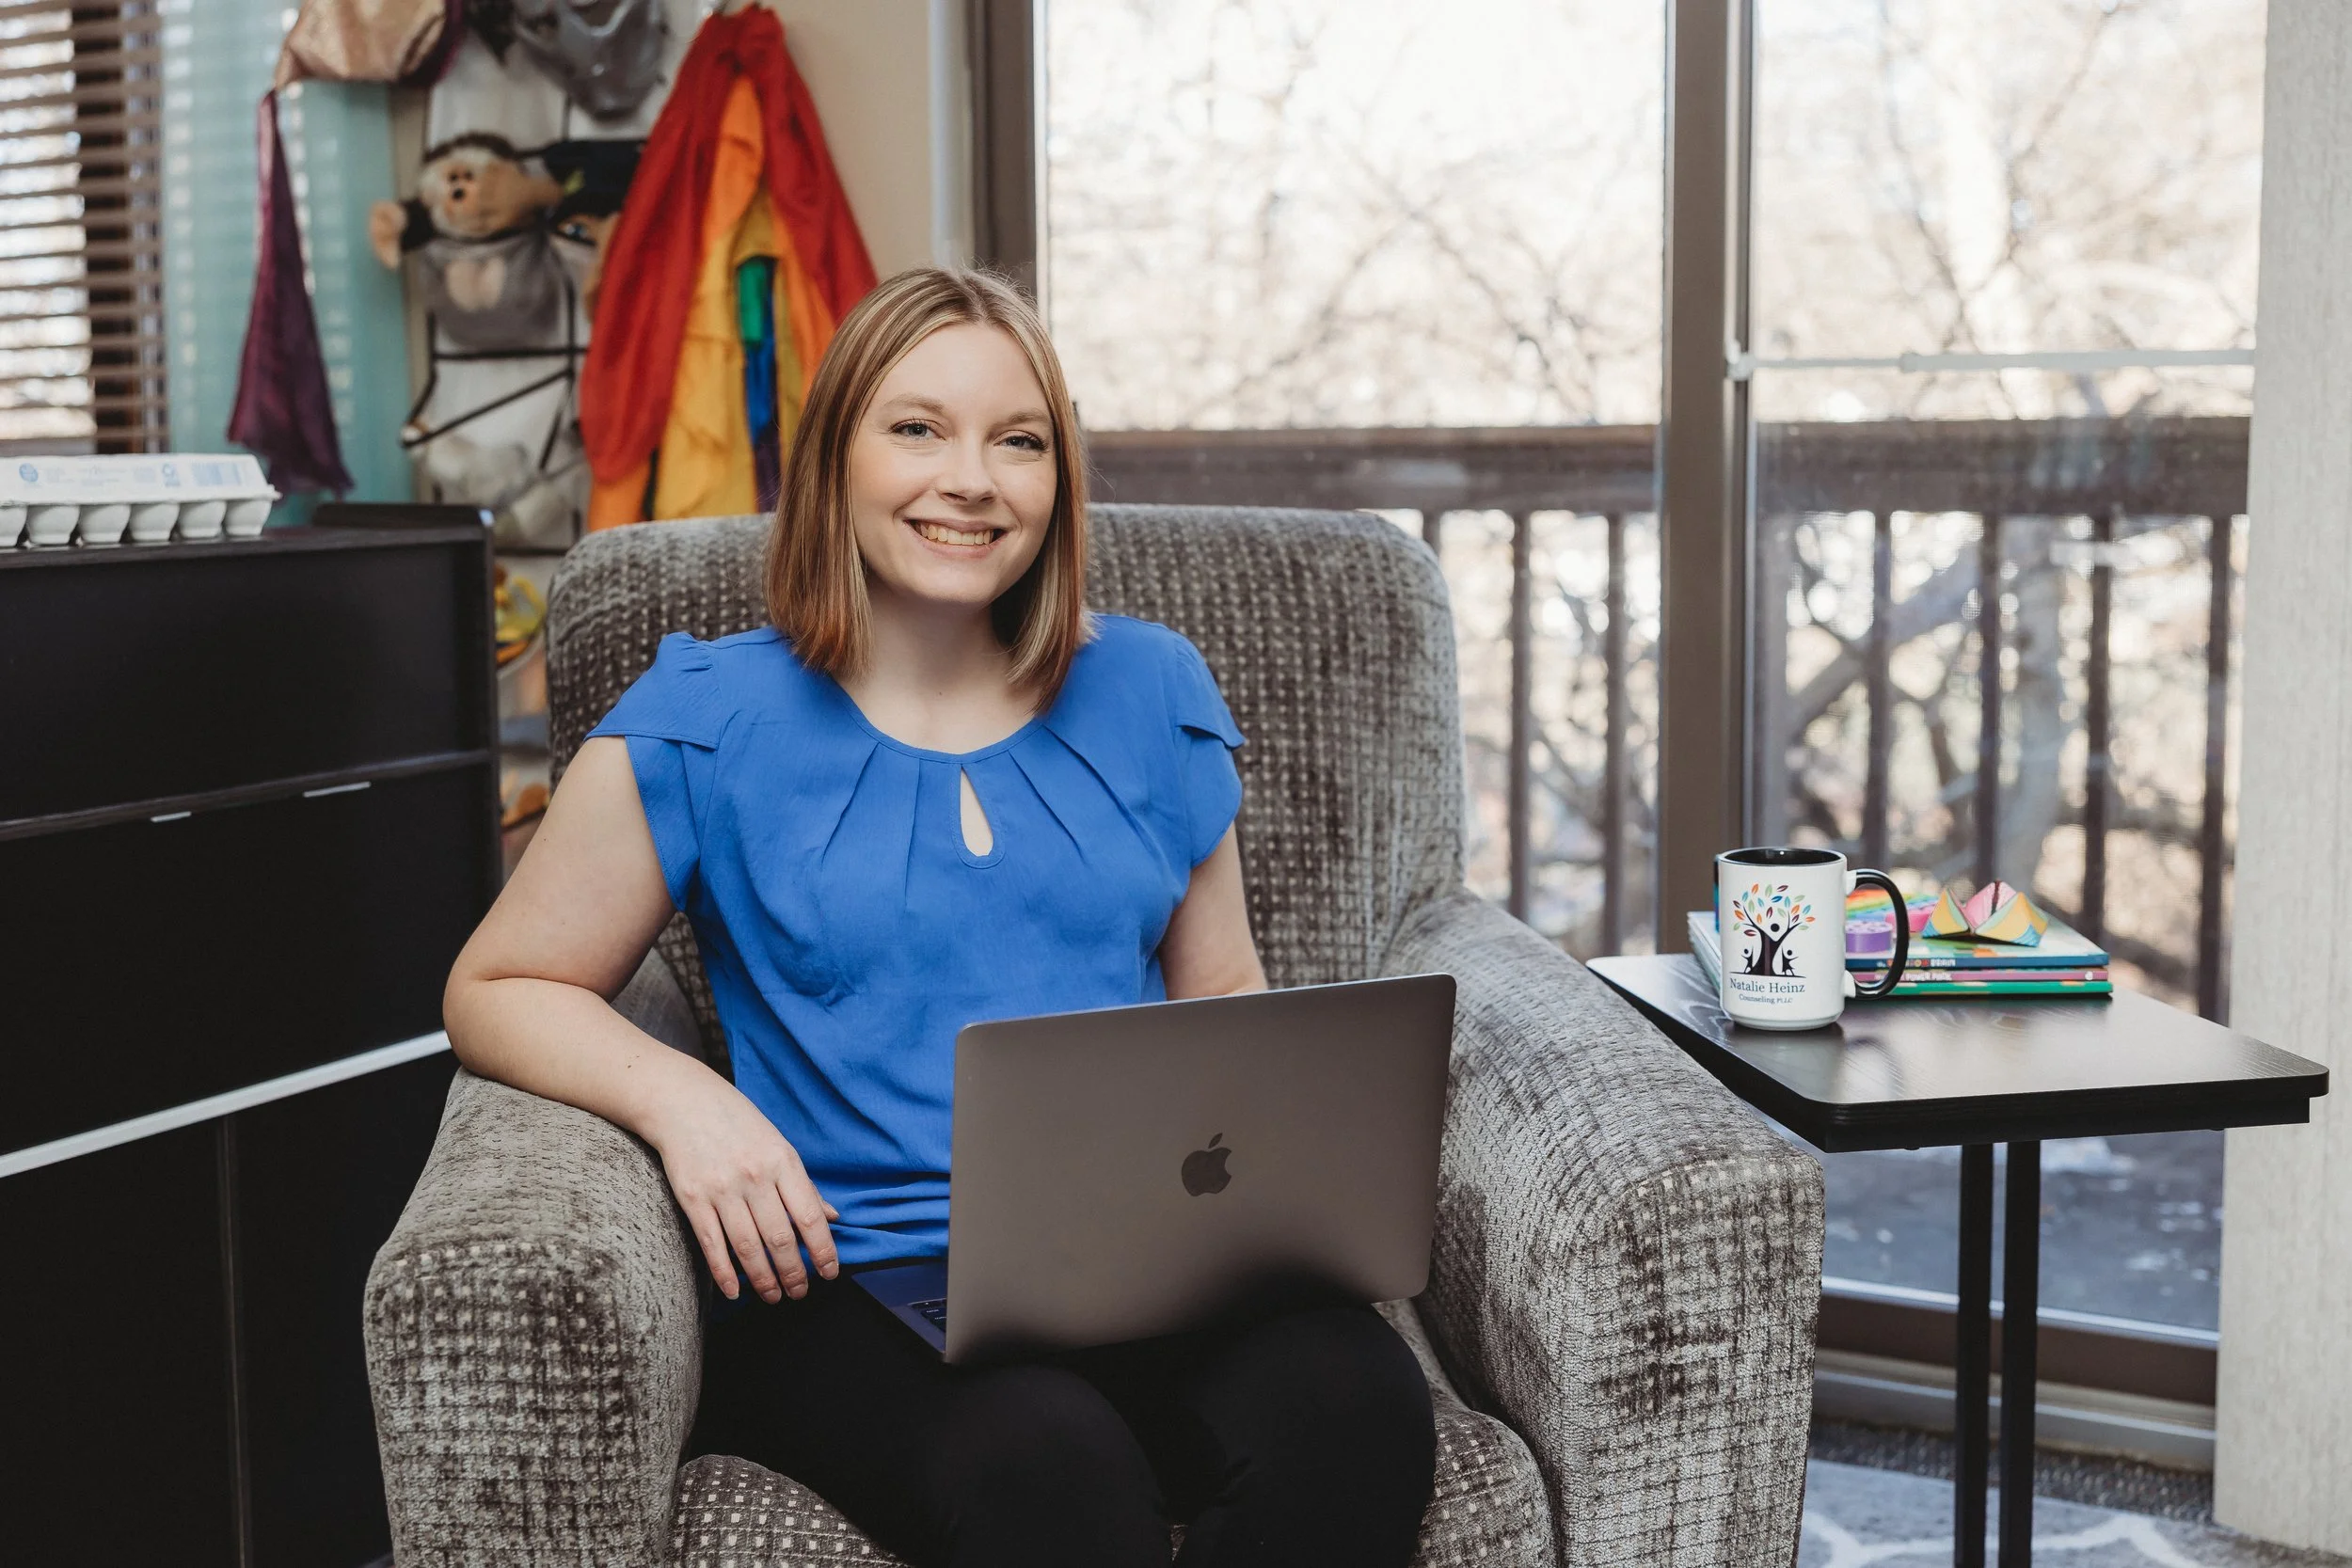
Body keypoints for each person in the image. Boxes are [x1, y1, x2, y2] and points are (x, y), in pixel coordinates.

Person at [442, 267, 1435, 1567]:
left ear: (1057, 480)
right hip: (851, 1284)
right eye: (917, 428)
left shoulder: (1151, 685)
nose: (971, 479)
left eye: (1017, 441)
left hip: (1142, 1257)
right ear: (838, 454)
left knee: (1361, 1408)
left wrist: (1291, 1183)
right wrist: (690, 1104)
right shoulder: (706, 716)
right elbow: (497, 984)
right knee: (1052, 1475)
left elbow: (1222, 991)